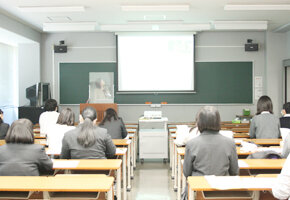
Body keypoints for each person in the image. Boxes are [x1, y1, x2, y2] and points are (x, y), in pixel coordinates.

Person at [182, 106, 239, 200]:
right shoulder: (230, 143)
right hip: (223, 190)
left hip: (198, 189)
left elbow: (186, 172)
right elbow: (235, 172)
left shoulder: (191, 144)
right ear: (218, 122)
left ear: (199, 122)